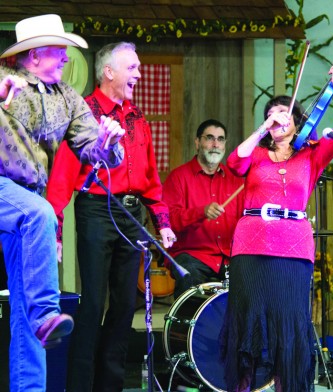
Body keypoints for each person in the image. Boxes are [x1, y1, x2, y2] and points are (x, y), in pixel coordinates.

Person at [0, 14, 125, 391]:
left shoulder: (67, 98)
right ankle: (46, 315)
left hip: (22, 203)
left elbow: (94, 150)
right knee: (39, 214)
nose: (67, 58)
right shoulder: (4, 82)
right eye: (60, 51)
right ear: (35, 55)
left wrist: (108, 144)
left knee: (25, 309)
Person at [46, 42, 176, 391]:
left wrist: (161, 221)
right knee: (91, 305)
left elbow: (150, 176)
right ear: (109, 72)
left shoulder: (137, 116)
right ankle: (80, 386)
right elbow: (62, 177)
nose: (138, 73)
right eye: (131, 67)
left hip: (130, 213)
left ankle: (111, 386)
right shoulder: (84, 113)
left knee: (123, 309)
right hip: (96, 210)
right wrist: (56, 230)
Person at [220, 58, 333, 391]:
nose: (279, 118)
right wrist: (264, 129)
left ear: (297, 122)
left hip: (294, 249)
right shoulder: (258, 154)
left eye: (285, 114)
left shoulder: (311, 155)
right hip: (250, 246)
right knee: (247, 323)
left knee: (288, 328)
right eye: (272, 114)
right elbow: (234, 162)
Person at [162, 119, 245, 300]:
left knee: (254, 276)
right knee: (188, 273)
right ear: (197, 142)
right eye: (209, 138)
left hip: (229, 257)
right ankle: (185, 329)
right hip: (192, 255)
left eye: (220, 139)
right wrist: (201, 212)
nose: (215, 144)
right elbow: (169, 221)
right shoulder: (178, 177)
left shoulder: (235, 180)